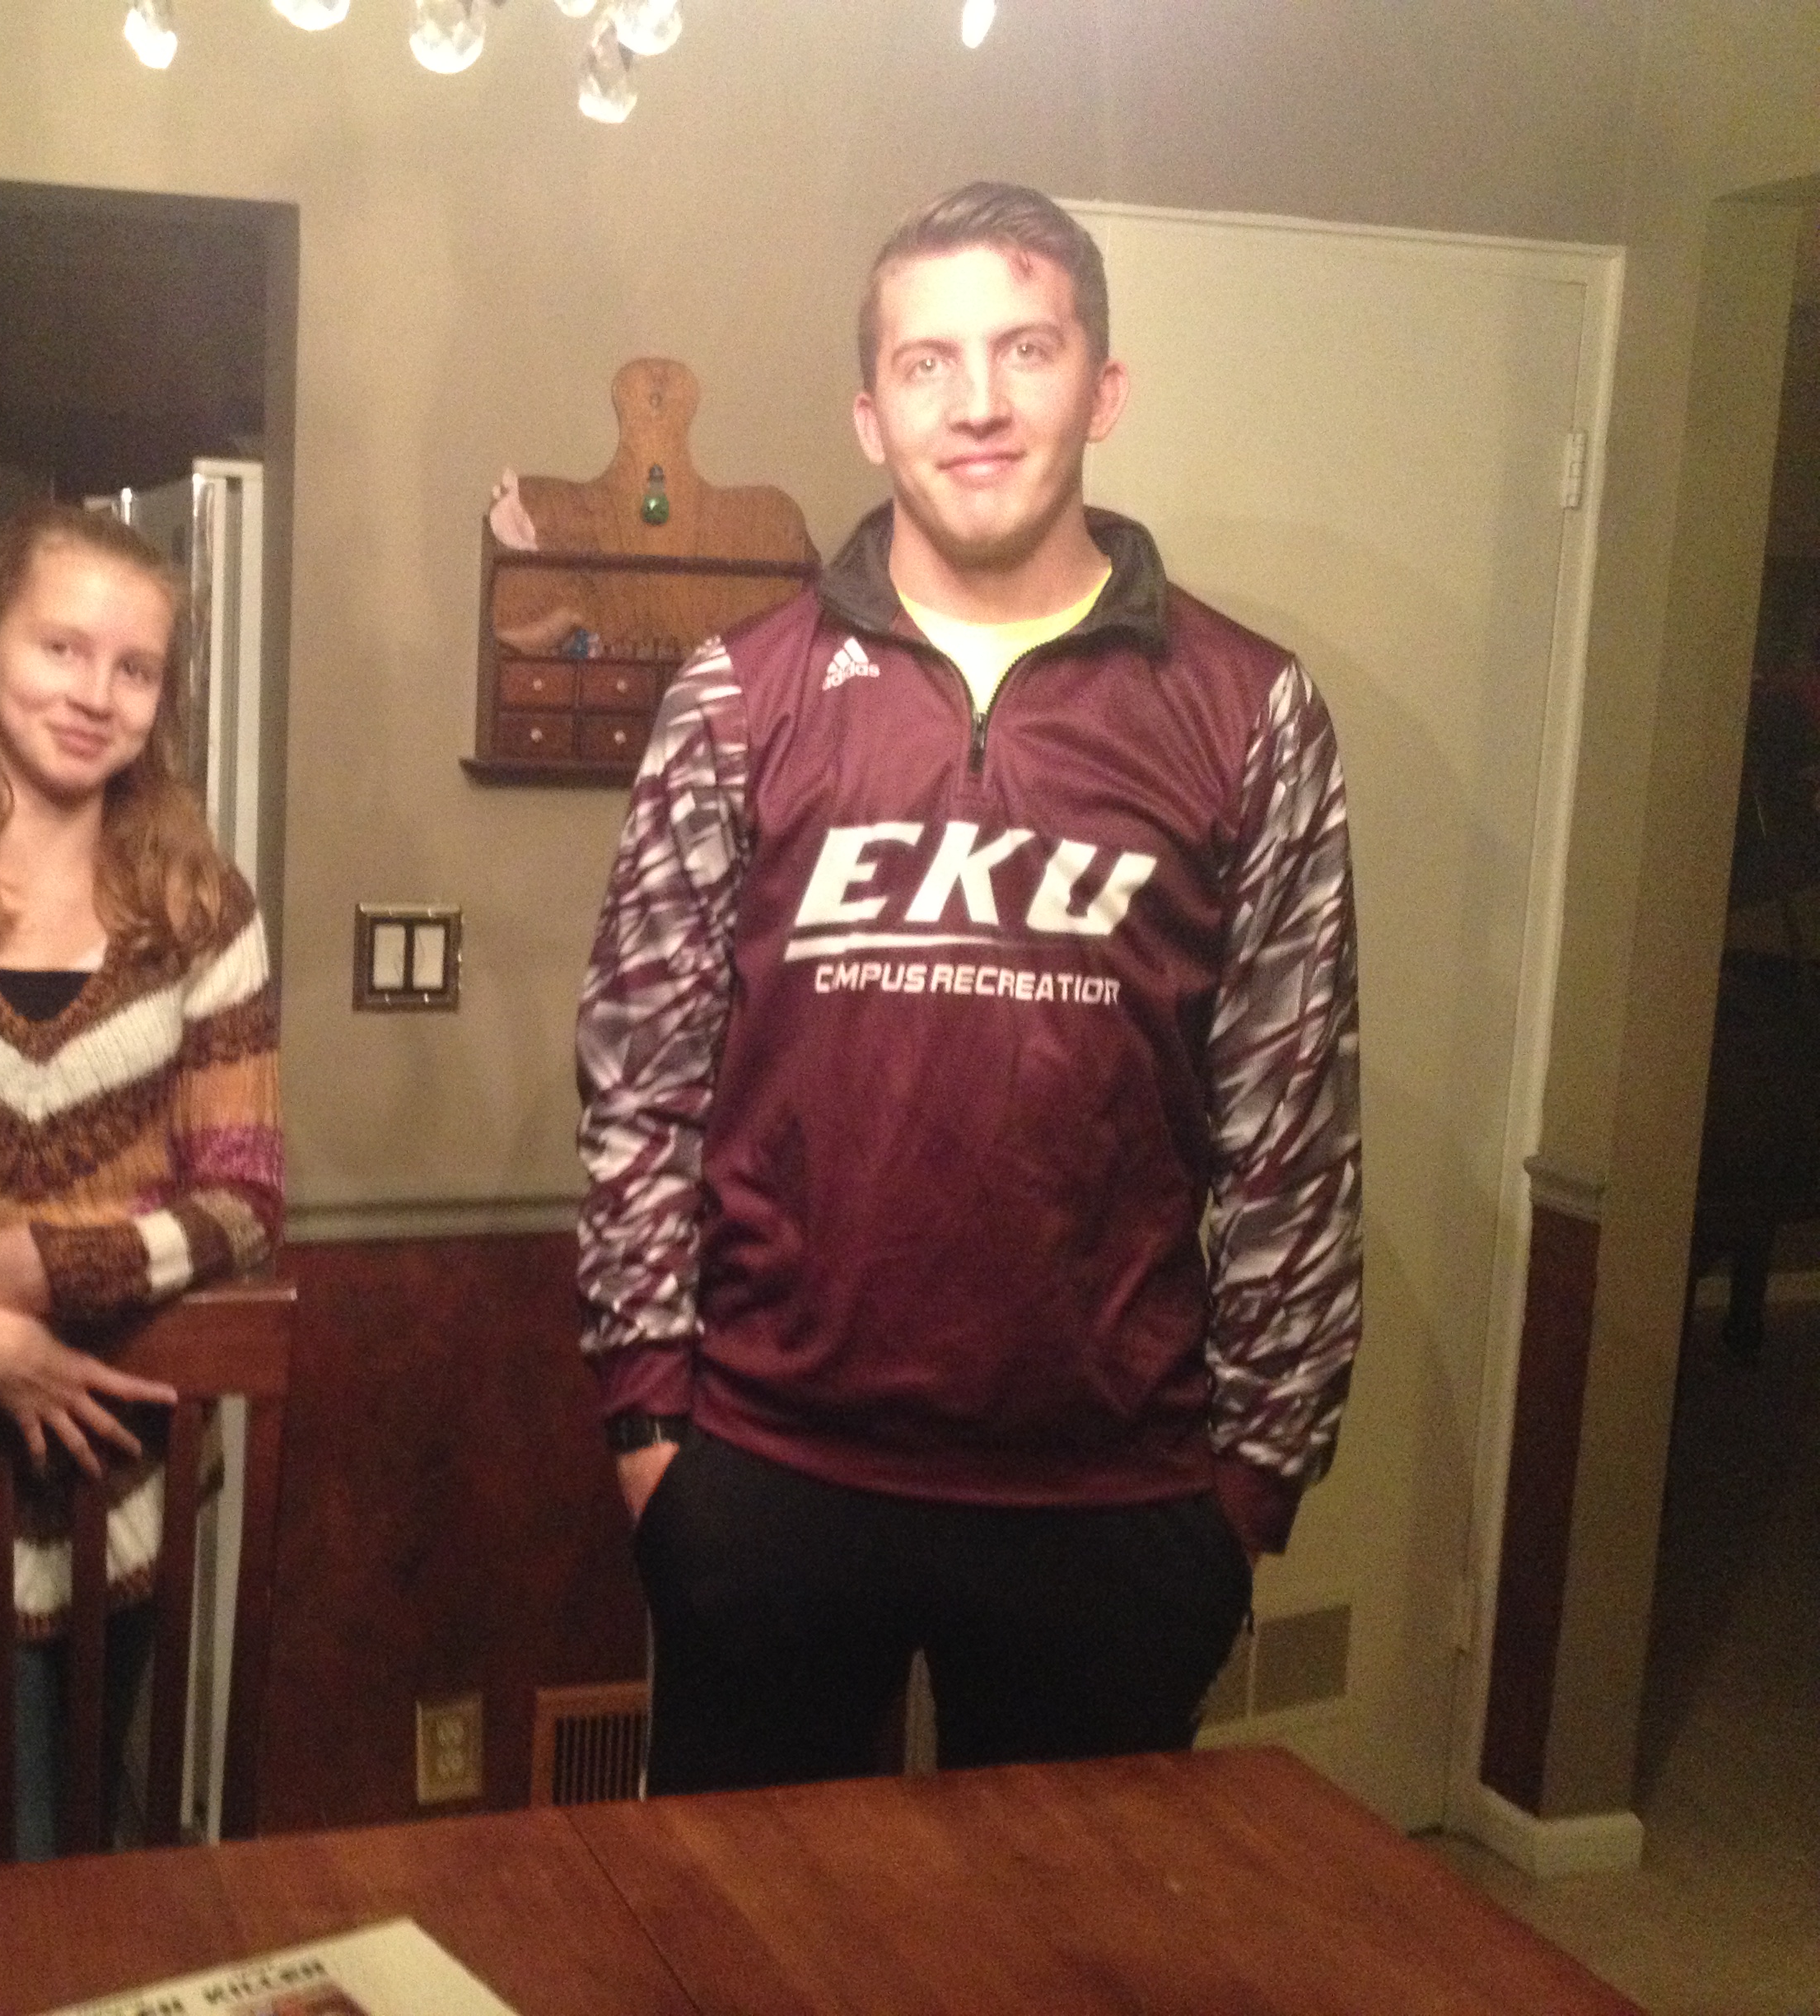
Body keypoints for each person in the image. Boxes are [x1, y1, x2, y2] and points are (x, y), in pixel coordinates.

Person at [576, 182, 1363, 1793]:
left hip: (1118, 1507)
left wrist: (1251, 1489)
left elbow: (1294, 1130)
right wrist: (651, 1427)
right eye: (928, 363)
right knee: (739, 1927)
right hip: (769, 1477)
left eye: (1027, 350)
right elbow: (640, 1081)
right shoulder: (737, 698)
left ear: (1104, 387)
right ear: (872, 414)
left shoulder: (1250, 711)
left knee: (1069, 1933)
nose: (980, 402)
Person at [0, 502, 282, 1860]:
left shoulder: (200, 907)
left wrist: (56, 1269)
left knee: (90, 1828)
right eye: (59, 648)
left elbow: (246, 1196)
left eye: (134, 668)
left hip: (135, 1472)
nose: (94, 693)